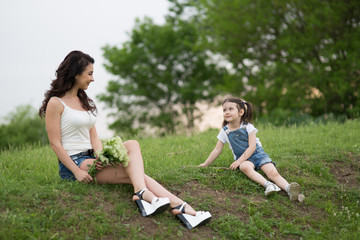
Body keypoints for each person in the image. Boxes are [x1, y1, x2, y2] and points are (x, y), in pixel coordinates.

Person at [39, 50, 211, 229]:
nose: (92, 79)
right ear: (76, 73)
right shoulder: (56, 103)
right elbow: (55, 144)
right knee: (137, 175)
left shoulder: (84, 101)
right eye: (89, 74)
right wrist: (76, 171)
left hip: (91, 160)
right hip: (75, 164)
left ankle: (144, 194)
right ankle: (182, 208)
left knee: (132, 147)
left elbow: (94, 137)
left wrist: (101, 156)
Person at [199, 97, 302, 201]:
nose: (227, 112)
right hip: (245, 159)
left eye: (231, 109)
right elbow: (217, 150)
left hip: (258, 154)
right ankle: (268, 185)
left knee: (272, 173)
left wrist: (238, 161)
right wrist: (206, 163)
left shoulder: (248, 127)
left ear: (241, 112)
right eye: (224, 110)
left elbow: (252, 147)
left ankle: (289, 189)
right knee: (244, 167)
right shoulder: (225, 131)